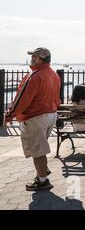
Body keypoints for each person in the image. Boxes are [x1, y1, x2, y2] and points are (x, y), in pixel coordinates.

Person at [3, 48, 61, 191]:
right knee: (40, 147)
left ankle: (42, 180)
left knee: (37, 151)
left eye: (34, 56)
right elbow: (56, 98)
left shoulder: (35, 76)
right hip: (50, 114)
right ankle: (41, 172)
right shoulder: (53, 74)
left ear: (39, 59)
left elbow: (22, 99)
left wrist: (9, 115)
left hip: (36, 117)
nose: (32, 58)